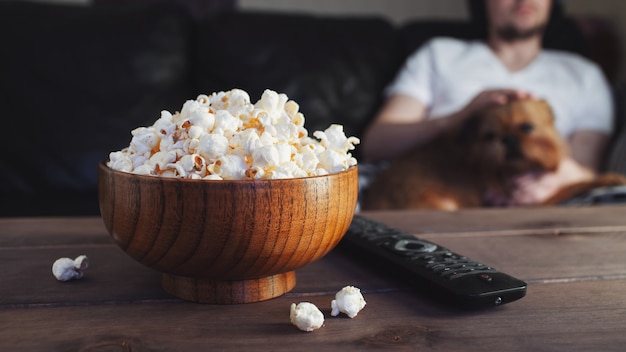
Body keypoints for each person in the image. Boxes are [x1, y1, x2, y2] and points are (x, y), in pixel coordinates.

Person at [360, 0, 614, 205]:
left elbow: (588, 167)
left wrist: (555, 179)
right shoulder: (439, 54)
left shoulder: (584, 74)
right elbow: (375, 144)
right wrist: (457, 118)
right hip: (437, 189)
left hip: (545, 202)